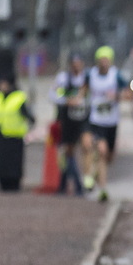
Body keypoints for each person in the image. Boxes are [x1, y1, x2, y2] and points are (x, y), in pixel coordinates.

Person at [85, 46, 124, 201]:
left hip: (112, 121)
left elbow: (130, 91)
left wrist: (117, 96)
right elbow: (82, 90)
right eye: (101, 60)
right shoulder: (90, 75)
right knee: (101, 151)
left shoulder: (116, 76)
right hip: (96, 120)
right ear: (97, 61)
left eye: (106, 60)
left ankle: (96, 175)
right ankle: (102, 189)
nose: (104, 63)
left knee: (109, 157)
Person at [53, 53, 91, 195]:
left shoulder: (88, 78)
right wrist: (66, 100)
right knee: (68, 152)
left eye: (79, 63)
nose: (76, 66)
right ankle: (66, 184)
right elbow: (53, 94)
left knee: (86, 145)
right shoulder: (63, 78)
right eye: (74, 64)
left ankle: (85, 180)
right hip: (68, 120)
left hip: (84, 119)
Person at [0, 76, 34, 193]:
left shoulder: (19, 97)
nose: (1, 86)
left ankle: (14, 185)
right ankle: (3, 184)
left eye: (4, 83)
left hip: (15, 136)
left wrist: (31, 120)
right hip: (0, 135)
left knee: (14, 163)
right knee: (1, 163)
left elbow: (27, 114)